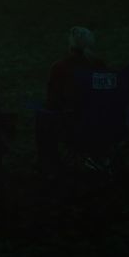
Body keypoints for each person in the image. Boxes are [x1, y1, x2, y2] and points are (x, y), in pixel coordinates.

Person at [36, 26, 106, 175]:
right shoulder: (100, 66)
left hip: (74, 128)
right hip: (105, 125)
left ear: (71, 45)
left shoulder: (60, 67)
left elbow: (53, 102)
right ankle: (97, 159)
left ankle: (51, 166)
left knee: (42, 118)